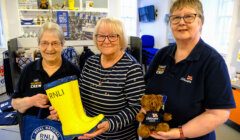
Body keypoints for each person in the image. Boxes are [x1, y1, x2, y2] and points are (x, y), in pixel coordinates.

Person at [144, 0, 236, 139]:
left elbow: (219, 113)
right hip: (155, 134)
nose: (181, 22)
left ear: (200, 21)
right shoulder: (162, 54)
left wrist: (180, 132)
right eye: (175, 18)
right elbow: (146, 90)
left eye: (188, 16)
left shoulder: (213, 62)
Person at [78, 17, 145, 140]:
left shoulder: (131, 67)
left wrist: (110, 124)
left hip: (119, 137)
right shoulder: (90, 62)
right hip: (90, 134)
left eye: (113, 36)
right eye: (101, 36)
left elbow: (136, 107)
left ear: (121, 39)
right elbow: (79, 95)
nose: (106, 41)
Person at [11, 22, 80, 133]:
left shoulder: (73, 72)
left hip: (66, 133)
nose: (49, 48)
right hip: (35, 132)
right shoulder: (28, 70)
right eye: (44, 43)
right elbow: (15, 104)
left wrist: (64, 114)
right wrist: (31, 101)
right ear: (38, 44)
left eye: (55, 43)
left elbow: (81, 108)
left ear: (62, 44)